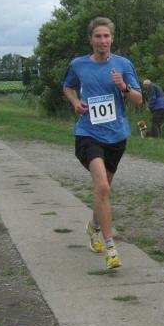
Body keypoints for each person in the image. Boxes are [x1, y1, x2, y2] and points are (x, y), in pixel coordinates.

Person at [62, 17, 143, 270]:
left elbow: (139, 100)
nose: (102, 41)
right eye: (98, 36)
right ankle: (110, 247)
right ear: (91, 39)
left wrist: (124, 86)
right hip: (88, 133)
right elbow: (67, 87)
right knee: (103, 187)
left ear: (112, 38)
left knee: (103, 190)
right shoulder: (78, 64)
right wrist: (75, 103)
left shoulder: (123, 64)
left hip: (116, 136)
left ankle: (94, 226)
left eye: (106, 36)